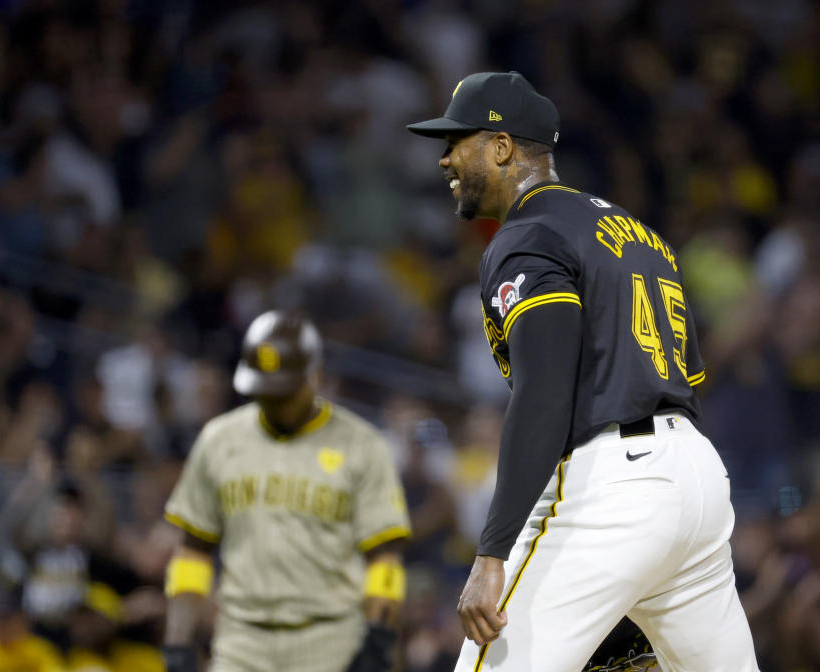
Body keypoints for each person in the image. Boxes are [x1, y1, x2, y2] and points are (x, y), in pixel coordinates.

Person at [407, 71, 759, 672]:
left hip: (615, 483)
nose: (444, 159)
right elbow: (688, 378)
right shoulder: (640, 235)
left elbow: (546, 394)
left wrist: (492, 554)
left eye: (457, 140)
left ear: (500, 146)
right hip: (695, 477)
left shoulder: (526, 235)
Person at [161, 310, 412, 672]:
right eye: (265, 390)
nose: (274, 401)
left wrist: (378, 640)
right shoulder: (219, 440)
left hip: (329, 640)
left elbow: (384, 559)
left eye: (284, 391)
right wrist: (177, 643)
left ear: (316, 376)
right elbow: (192, 553)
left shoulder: (362, 445)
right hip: (241, 639)